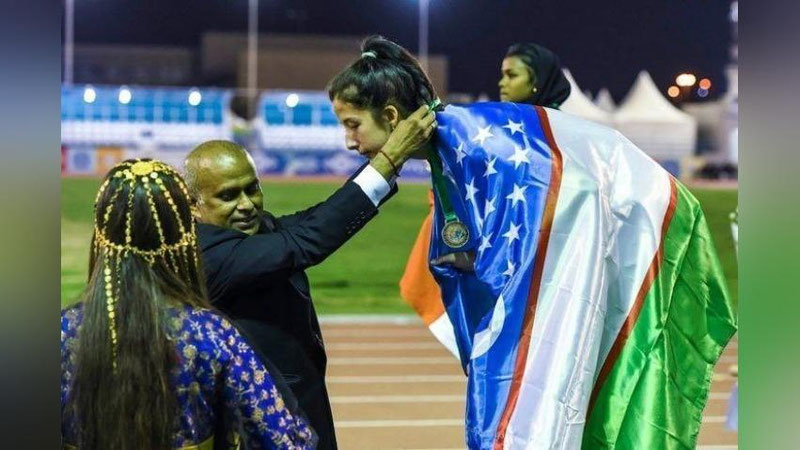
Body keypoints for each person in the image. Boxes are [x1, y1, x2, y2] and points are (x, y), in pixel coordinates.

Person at [184, 105, 435, 449]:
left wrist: (388, 164)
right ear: (193, 205)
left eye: (252, 189)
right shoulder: (208, 254)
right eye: (228, 196)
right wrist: (388, 160)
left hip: (300, 413)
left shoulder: (257, 230)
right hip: (262, 430)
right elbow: (306, 241)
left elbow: (316, 219)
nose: (246, 205)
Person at [60, 159, 316, 450]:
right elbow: (285, 440)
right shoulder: (211, 335)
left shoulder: (62, 332)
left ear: (101, 236)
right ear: (184, 233)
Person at [498, 42, 571, 108]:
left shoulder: (557, 118)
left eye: (512, 75)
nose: (501, 83)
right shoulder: (497, 116)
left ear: (538, 81)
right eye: (503, 75)